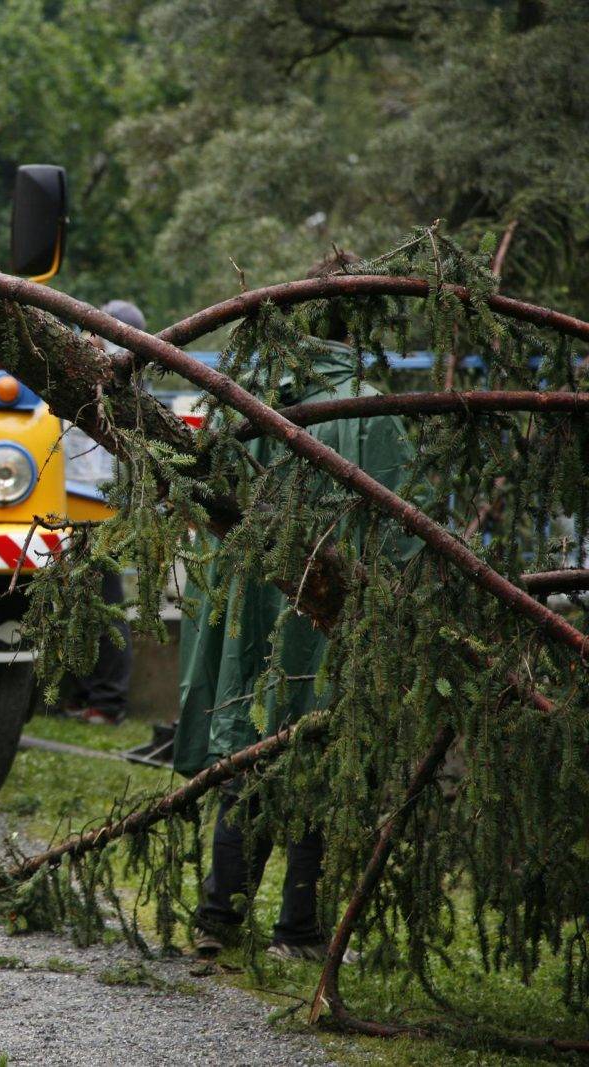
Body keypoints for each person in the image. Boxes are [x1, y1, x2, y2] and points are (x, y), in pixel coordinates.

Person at [174, 252, 413, 960]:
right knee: (314, 747)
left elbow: (206, 505)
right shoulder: (376, 410)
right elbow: (400, 536)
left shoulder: (241, 397)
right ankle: (297, 931)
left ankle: (218, 920)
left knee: (250, 746)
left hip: (248, 616)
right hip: (330, 618)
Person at [62, 298, 143, 725]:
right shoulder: (87, 380)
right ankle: (81, 694)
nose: (89, 342)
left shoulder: (122, 390)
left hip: (103, 510)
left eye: (98, 336)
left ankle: (107, 702)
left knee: (105, 602)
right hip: (77, 506)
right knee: (82, 602)